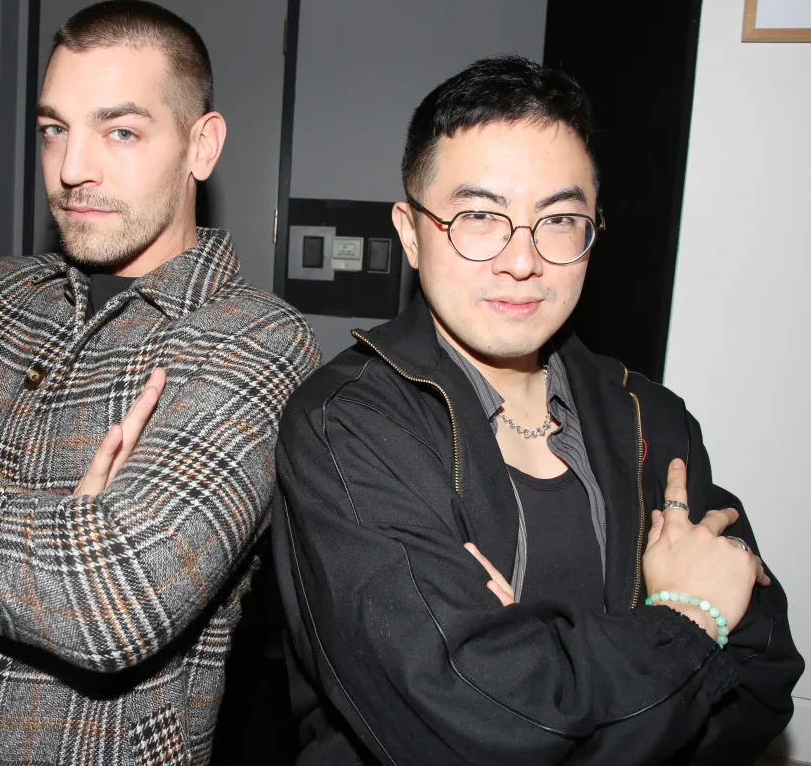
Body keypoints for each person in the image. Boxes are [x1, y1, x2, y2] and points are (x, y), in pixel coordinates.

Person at [0, 0, 319, 765]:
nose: (73, 167)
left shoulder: (257, 339)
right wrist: (48, 549)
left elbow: (109, 603)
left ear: (201, 145)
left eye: (120, 130)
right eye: (55, 128)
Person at [272, 56, 803, 765]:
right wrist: (687, 614)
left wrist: (536, 660)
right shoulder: (345, 424)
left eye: (558, 219)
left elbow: (766, 676)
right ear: (410, 231)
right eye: (480, 217)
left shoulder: (652, 415)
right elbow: (472, 729)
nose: (522, 260)